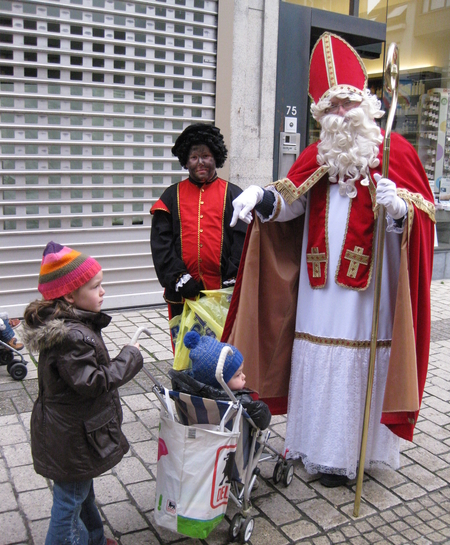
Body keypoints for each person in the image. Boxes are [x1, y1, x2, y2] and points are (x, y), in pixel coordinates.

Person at [226, 32, 435, 487]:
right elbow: (291, 202)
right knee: (318, 363)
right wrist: (261, 197)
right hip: (319, 293)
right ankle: (316, 446)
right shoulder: (318, 155)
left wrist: (399, 208)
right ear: (320, 114)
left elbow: (424, 217)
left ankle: (351, 455)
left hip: (369, 296)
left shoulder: (396, 153)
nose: (340, 114)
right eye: (329, 107)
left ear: (365, 102)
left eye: (346, 103)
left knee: (356, 366)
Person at [22, 241, 143, 545]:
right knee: (70, 497)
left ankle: (90, 540)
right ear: (70, 298)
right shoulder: (72, 337)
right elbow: (92, 382)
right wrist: (129, 357)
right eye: (95, 286)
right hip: (69, 434)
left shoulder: (71, 325)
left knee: (80, 488)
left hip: (72, 431)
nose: (103, 291)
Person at [150, 124, 247, 326]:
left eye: (206, 156)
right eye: (194, 157)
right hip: (183, 293)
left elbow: (243, 240)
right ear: (186, 161)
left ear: (216, 158)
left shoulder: (234, 195)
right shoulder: (170, 197)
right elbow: (161, 245)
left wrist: (232, 277)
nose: (200, 162)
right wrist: (178, 277)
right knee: (184, 349)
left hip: (222, 295)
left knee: (221, 353)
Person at [169, 331, 271, 431]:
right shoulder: (243, 401)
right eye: (238, 375)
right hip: (231, 442)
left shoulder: (188, 392)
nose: (244, 376)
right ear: (219, 382)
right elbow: (263, 422)